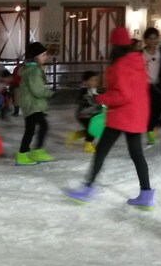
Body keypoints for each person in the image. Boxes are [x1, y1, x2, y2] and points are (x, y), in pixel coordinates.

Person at [65, 27, 153, 208]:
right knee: (137, 154)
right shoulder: (137, 61)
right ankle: (146, 194)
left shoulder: (120, 65)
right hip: (136, 114)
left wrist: (100, 98)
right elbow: (134, 90)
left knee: (102, 151)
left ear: (113, 45)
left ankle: (87, 188)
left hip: (121, 115)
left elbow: (123, 95)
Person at [15, 42, 55, 166]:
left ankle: (29, 152)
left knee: (31, 129)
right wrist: (50, 93)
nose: (46, 57)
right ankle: (29, 152)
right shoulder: (34, 70)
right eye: (43, 55)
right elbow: (37, 90)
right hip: (33, 104)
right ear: (35, 57)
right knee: (42, 126)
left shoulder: (30, 69)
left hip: (30, 103)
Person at [142, 27, 161, 145]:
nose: (152, 41)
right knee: (149, 110)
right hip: (146, 86)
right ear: (145, 40)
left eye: (155, 38)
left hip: (159, 85)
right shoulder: (141, 54)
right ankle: (150, 133)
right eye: (150, 39)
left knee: (158, 110)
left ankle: (152, 128)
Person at [66, 71, 103, 154]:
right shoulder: (83, 92)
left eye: (96, 80)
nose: (95, 82)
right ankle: (87, 146)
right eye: (92, 80)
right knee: (91, 130)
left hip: (92, 115)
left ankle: (74, 135)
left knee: (92, 129)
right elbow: (89, 102)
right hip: (83, 115)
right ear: (85, 82)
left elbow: (100, 99)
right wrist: (96, 99)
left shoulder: (96, 91)